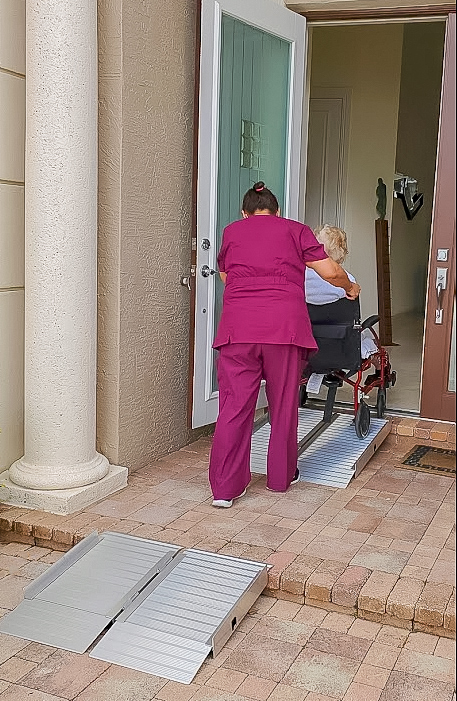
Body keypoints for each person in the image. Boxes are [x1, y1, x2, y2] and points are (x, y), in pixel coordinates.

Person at [209, 183, 361, 508]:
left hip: (239, 331)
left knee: (234, 407)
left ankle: (224, 490)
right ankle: (280, 478)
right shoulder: (295, 231)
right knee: (283, 404)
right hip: (284, 329)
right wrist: (350, 287)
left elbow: (225, 276)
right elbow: (331, 271)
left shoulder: (232, 232)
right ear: (277, 212)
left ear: (244, 212)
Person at [305, 224, 378, 360]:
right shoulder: (348, 280)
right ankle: (377, 362)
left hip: (309, 341)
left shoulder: (301, 276)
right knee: (362, 333)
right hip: (340, 344)